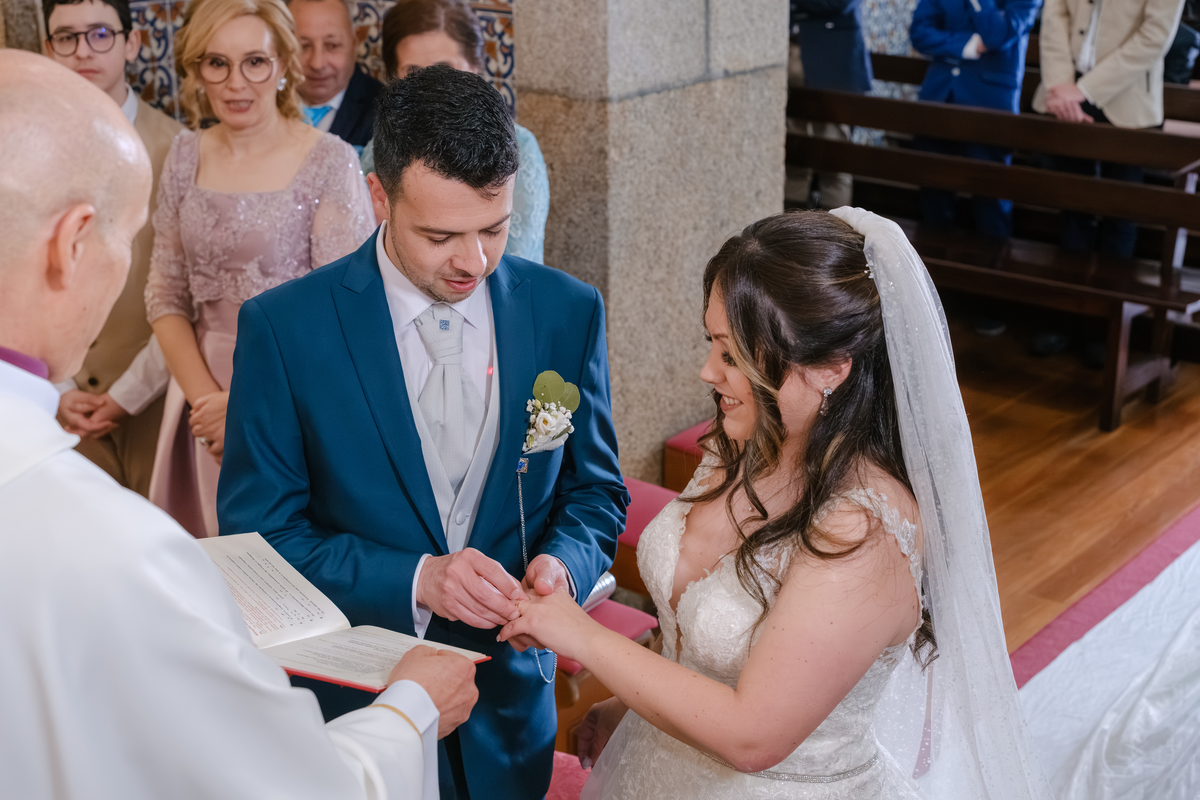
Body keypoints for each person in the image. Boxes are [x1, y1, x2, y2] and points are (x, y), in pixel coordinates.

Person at [0, 48, 477, 800]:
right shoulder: (114, 550)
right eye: (127, 240)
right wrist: (412, 707)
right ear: (72, 243)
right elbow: (294, 787)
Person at [499, 208, 1055, 799]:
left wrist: (583, 637)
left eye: (733, 356)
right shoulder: (740, 445)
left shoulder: (862, 530)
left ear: (830, 369)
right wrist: (632, 706)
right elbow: (696, 629)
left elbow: (754, 736)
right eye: (712, 344)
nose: (707, 372)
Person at [218, 64, 627, 800]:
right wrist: (417, 578)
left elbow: (595, 491)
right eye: (440, 235)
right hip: (358, 715)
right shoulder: (286, 329)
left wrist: (562, 566)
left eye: (494, 228)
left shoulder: (566, 311)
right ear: (379, 196)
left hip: (511, 713)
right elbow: (261, 541)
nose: (474, 262)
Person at [145, 0, 374, 538]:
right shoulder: (183, 156)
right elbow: (164, 295)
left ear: (284, 65)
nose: (235, 83)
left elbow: (346, 313)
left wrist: (248, 411)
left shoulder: (329, 159)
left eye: (254, 62)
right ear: (197, 71)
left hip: (294, 398)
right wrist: (207, 402)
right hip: (200, 401)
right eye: (216, 63)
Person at [43, 0, 181, 498]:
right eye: (67, 37)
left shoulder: (179, 149)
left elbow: (184, 291)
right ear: (49, 49)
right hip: (58, 399)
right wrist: (56, 389)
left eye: (100, 34)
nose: (84, 51)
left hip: (156, 397)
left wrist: (129, 394)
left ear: (132, 42)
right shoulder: (25, 146)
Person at [359, 0, 550, 263]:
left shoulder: (520, 148)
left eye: (445, 69)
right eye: (413, 72)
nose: (431, 87)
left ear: (475, 67)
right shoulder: (377, 148)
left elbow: (516, 261)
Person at [1033, 0, 1185, 258]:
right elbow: (1054, 16)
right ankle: (1071, 278)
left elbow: (1154, 36)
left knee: (1122, 210)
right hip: (1067, 92)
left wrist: (1085, 90)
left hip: (1128, 96)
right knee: (1073, 204)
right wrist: (1061, 85)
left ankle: (1116, 281)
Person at [910, 0, 1041, 239]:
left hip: (990, 107)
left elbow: (997, 36)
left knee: (991, 201)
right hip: (939, 97)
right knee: (934, 196)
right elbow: (919, 33)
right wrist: (966, 44)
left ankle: (995, 259)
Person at [787, 0, 873, 209]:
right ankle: (789, 225)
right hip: (792, 57)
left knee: (834, 161)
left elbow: (838, 3)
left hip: (833, 62)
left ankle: (834, 226)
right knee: (795, 157)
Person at [291, 0, 382, 150]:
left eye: (332, 45)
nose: (317, 64)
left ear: (354, 42)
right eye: (304, 46)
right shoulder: (261, 99)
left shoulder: (386, 112)